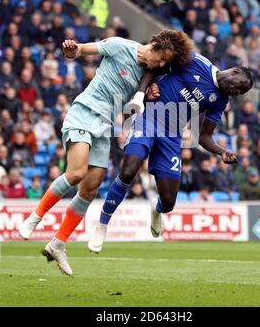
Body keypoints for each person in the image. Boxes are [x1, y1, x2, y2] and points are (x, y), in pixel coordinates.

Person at [19, 30, 194, 276]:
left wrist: (148, 96)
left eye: (166, 62)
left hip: (104, 127)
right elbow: (80, 50)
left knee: (90, 188)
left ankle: (58, 243)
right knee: (77, 172)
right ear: (153, 44)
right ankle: (35, 217)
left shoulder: (148, 76)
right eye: (162, 58)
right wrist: (72, 50)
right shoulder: (118, 45)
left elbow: (132, 106)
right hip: (84, 113)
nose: (162, 64)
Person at [89, 52, 253, 255]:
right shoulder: (195, 61)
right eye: (239, 86)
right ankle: (102, 224)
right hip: (148, 119)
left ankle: (156, 210)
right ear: (235, 71)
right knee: (129, 170)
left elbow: (204, 137)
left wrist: (222, 151)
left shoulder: (220, 100)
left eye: (240, 92)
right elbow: (155, 66)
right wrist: (142, 94)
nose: (236, 91)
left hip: (172, 136)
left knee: (168, 202)